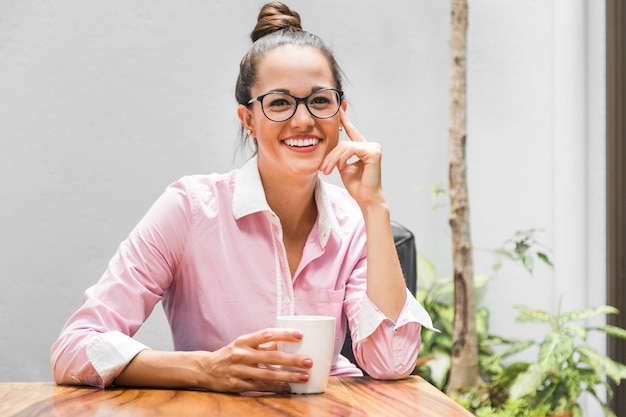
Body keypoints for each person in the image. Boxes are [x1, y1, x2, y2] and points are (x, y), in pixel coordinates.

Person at [51, 1, 434, 394]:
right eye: (280, 103)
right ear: (248, 119)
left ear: (340, 113)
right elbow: (74, 348)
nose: (303, 120)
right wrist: (204, 369)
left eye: (320, 100)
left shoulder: (353, 223)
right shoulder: (189, 210)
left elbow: (392, 362)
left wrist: (375, 206)